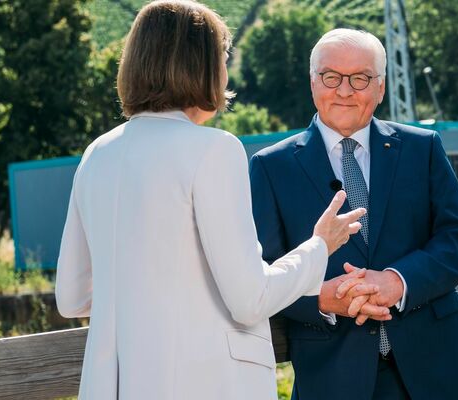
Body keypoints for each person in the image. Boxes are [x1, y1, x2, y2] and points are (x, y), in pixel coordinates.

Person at [54, 3, 369, 399]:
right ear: (200, 66)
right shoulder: (214, 149)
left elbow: (72, 298)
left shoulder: (97, 153)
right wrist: (320, 245)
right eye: (221, 59)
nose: (225, 73)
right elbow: (249, 299)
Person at [250, 28, 458, 400]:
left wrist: (397, 281)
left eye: (360, 78)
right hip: (334, 377)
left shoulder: (421, 147)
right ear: (313, 83)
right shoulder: (270, 167)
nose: (344, 91)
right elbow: (262, 273)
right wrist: (320, 298)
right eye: (331, 77)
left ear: (380, 88)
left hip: (439, 369)